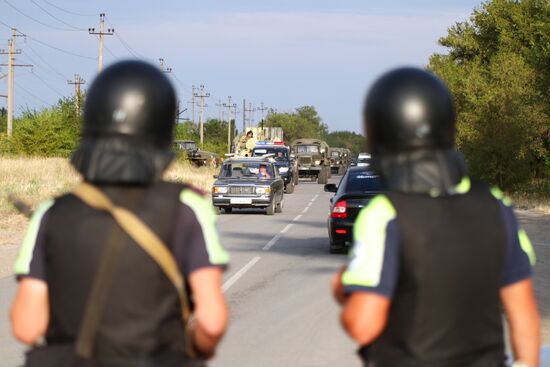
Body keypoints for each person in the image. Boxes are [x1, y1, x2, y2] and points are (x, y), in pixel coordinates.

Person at [10, 60, 230, 366]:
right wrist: (197, 348)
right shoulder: (186, 208)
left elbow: (26, 326)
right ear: (162, 127)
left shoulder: (51, 212)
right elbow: (212, 322)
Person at [332, 67, 540, 367]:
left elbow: (363, 324)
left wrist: (343, 287)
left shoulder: (386, 213)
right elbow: (524, 314)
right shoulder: (495, 205)